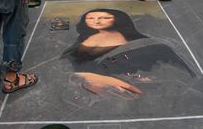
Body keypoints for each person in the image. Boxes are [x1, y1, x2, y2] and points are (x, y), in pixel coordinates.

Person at [62, 8, 195, 98]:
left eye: (104, 17)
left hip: (130, 92)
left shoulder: (148, 45)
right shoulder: (83, 41)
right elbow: (68, 65)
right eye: (90, 18)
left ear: (117, 19)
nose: (96, 21)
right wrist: (87, 77)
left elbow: (176, 75)